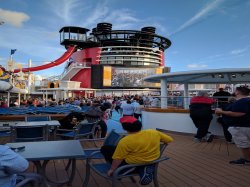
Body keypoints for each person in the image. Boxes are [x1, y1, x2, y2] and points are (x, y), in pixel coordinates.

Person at [100, 116, 173, 185]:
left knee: (104, 149)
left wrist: (112, 170)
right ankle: (146, 167)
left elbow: (118, 159)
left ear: (125, 128)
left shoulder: (125, 141)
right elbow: (169, 139)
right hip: (152, 159)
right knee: (109, 148)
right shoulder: (153, 132)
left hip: (132, 164)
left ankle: (138, 169)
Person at [215, 86, 250, 165]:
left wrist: (222, 112)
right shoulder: (246, 100)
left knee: (244, 144)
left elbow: (239, 113)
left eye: (235, 90)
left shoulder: (242, 101)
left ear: (237, 92)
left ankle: (247, 160)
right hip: (244, 126)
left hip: (240, 126)